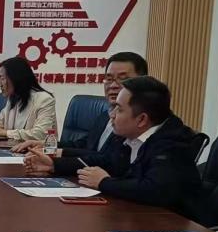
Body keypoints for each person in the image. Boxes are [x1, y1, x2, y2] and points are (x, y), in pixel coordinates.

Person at [42, 77, 199, 208]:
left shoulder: (172, 144)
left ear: (142, 119)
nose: (112, 115)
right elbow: (105, 160)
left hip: (173, 224)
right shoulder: (130, 135)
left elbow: (154, 190)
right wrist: (54, 165)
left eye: (119, 109)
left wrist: (104, 182)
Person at [19, 52, 148, 170]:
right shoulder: (104, 115)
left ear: (143, 81)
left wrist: (56, 159)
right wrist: (47, 145)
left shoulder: (137, 121)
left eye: (123, 79)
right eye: (109, 79)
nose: (113, 85)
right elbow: (85, 144)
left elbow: (106, 158)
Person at [0, 56, 57, 142]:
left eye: (2, 79)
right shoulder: (13, 98)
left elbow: (41, 134)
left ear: (16, 79)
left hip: (36, 151)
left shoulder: (44, 100)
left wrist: (5, 133)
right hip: (14, 148)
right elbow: (0, 121)